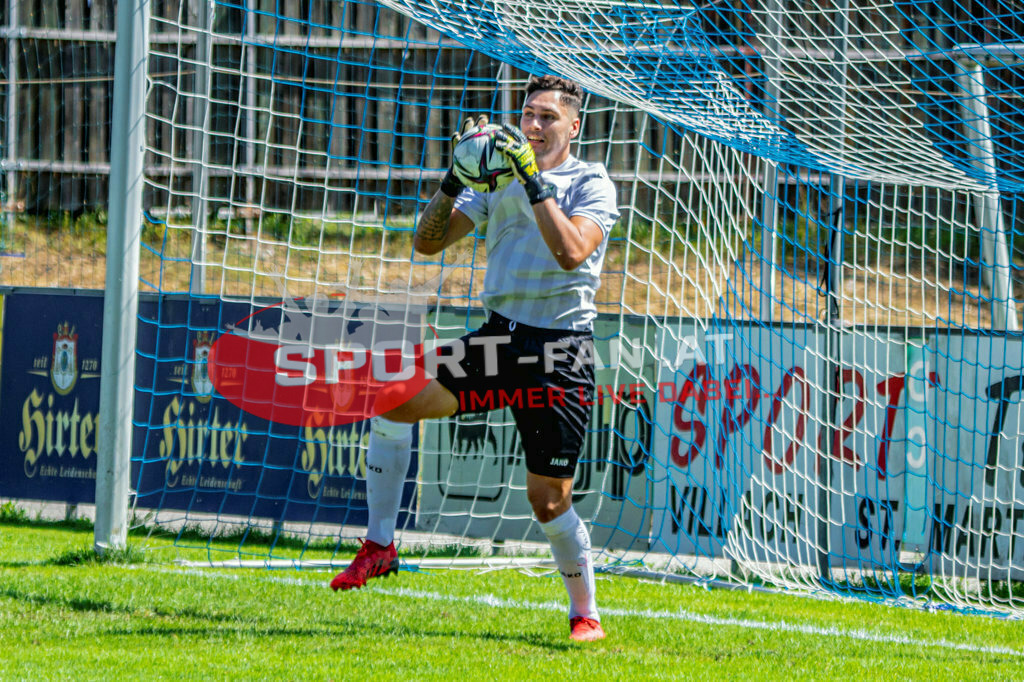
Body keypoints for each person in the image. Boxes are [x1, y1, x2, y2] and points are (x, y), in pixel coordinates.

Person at [330, 75, 619, 643]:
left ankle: (584, 611)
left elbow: (571, 252)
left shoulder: (592, 182)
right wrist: (454, 179)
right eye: (528, 115)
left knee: (548, 500)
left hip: (559, 351)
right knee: (393, 401)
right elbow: (427, 241)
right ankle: (380, 544)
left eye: (548, 118)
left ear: (574, 126)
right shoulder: (497, 178)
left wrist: (532, 179)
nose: (534, 126)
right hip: (498, 340)